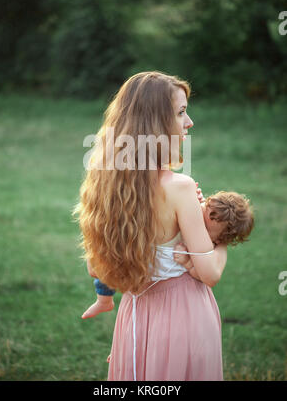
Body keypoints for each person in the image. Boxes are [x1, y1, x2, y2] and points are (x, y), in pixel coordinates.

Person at [75, 71, 230, 381]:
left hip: (134, 317)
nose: (190, 122)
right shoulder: (179, 188)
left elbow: (97, 268)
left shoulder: (105, 186)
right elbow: (209, 273)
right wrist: (223, 239)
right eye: (181, 112)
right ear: (155, 124)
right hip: (183, 317)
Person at [81, 189, 254, 319]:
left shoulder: (207, 248)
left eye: (206, 229)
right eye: (201, 213)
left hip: (166, 294)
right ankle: (104, 301)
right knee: (109, 264)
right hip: (139, 271)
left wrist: (187, 263)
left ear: (219, 240)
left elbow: (205, 276)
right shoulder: (190, 210)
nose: (197, 225)